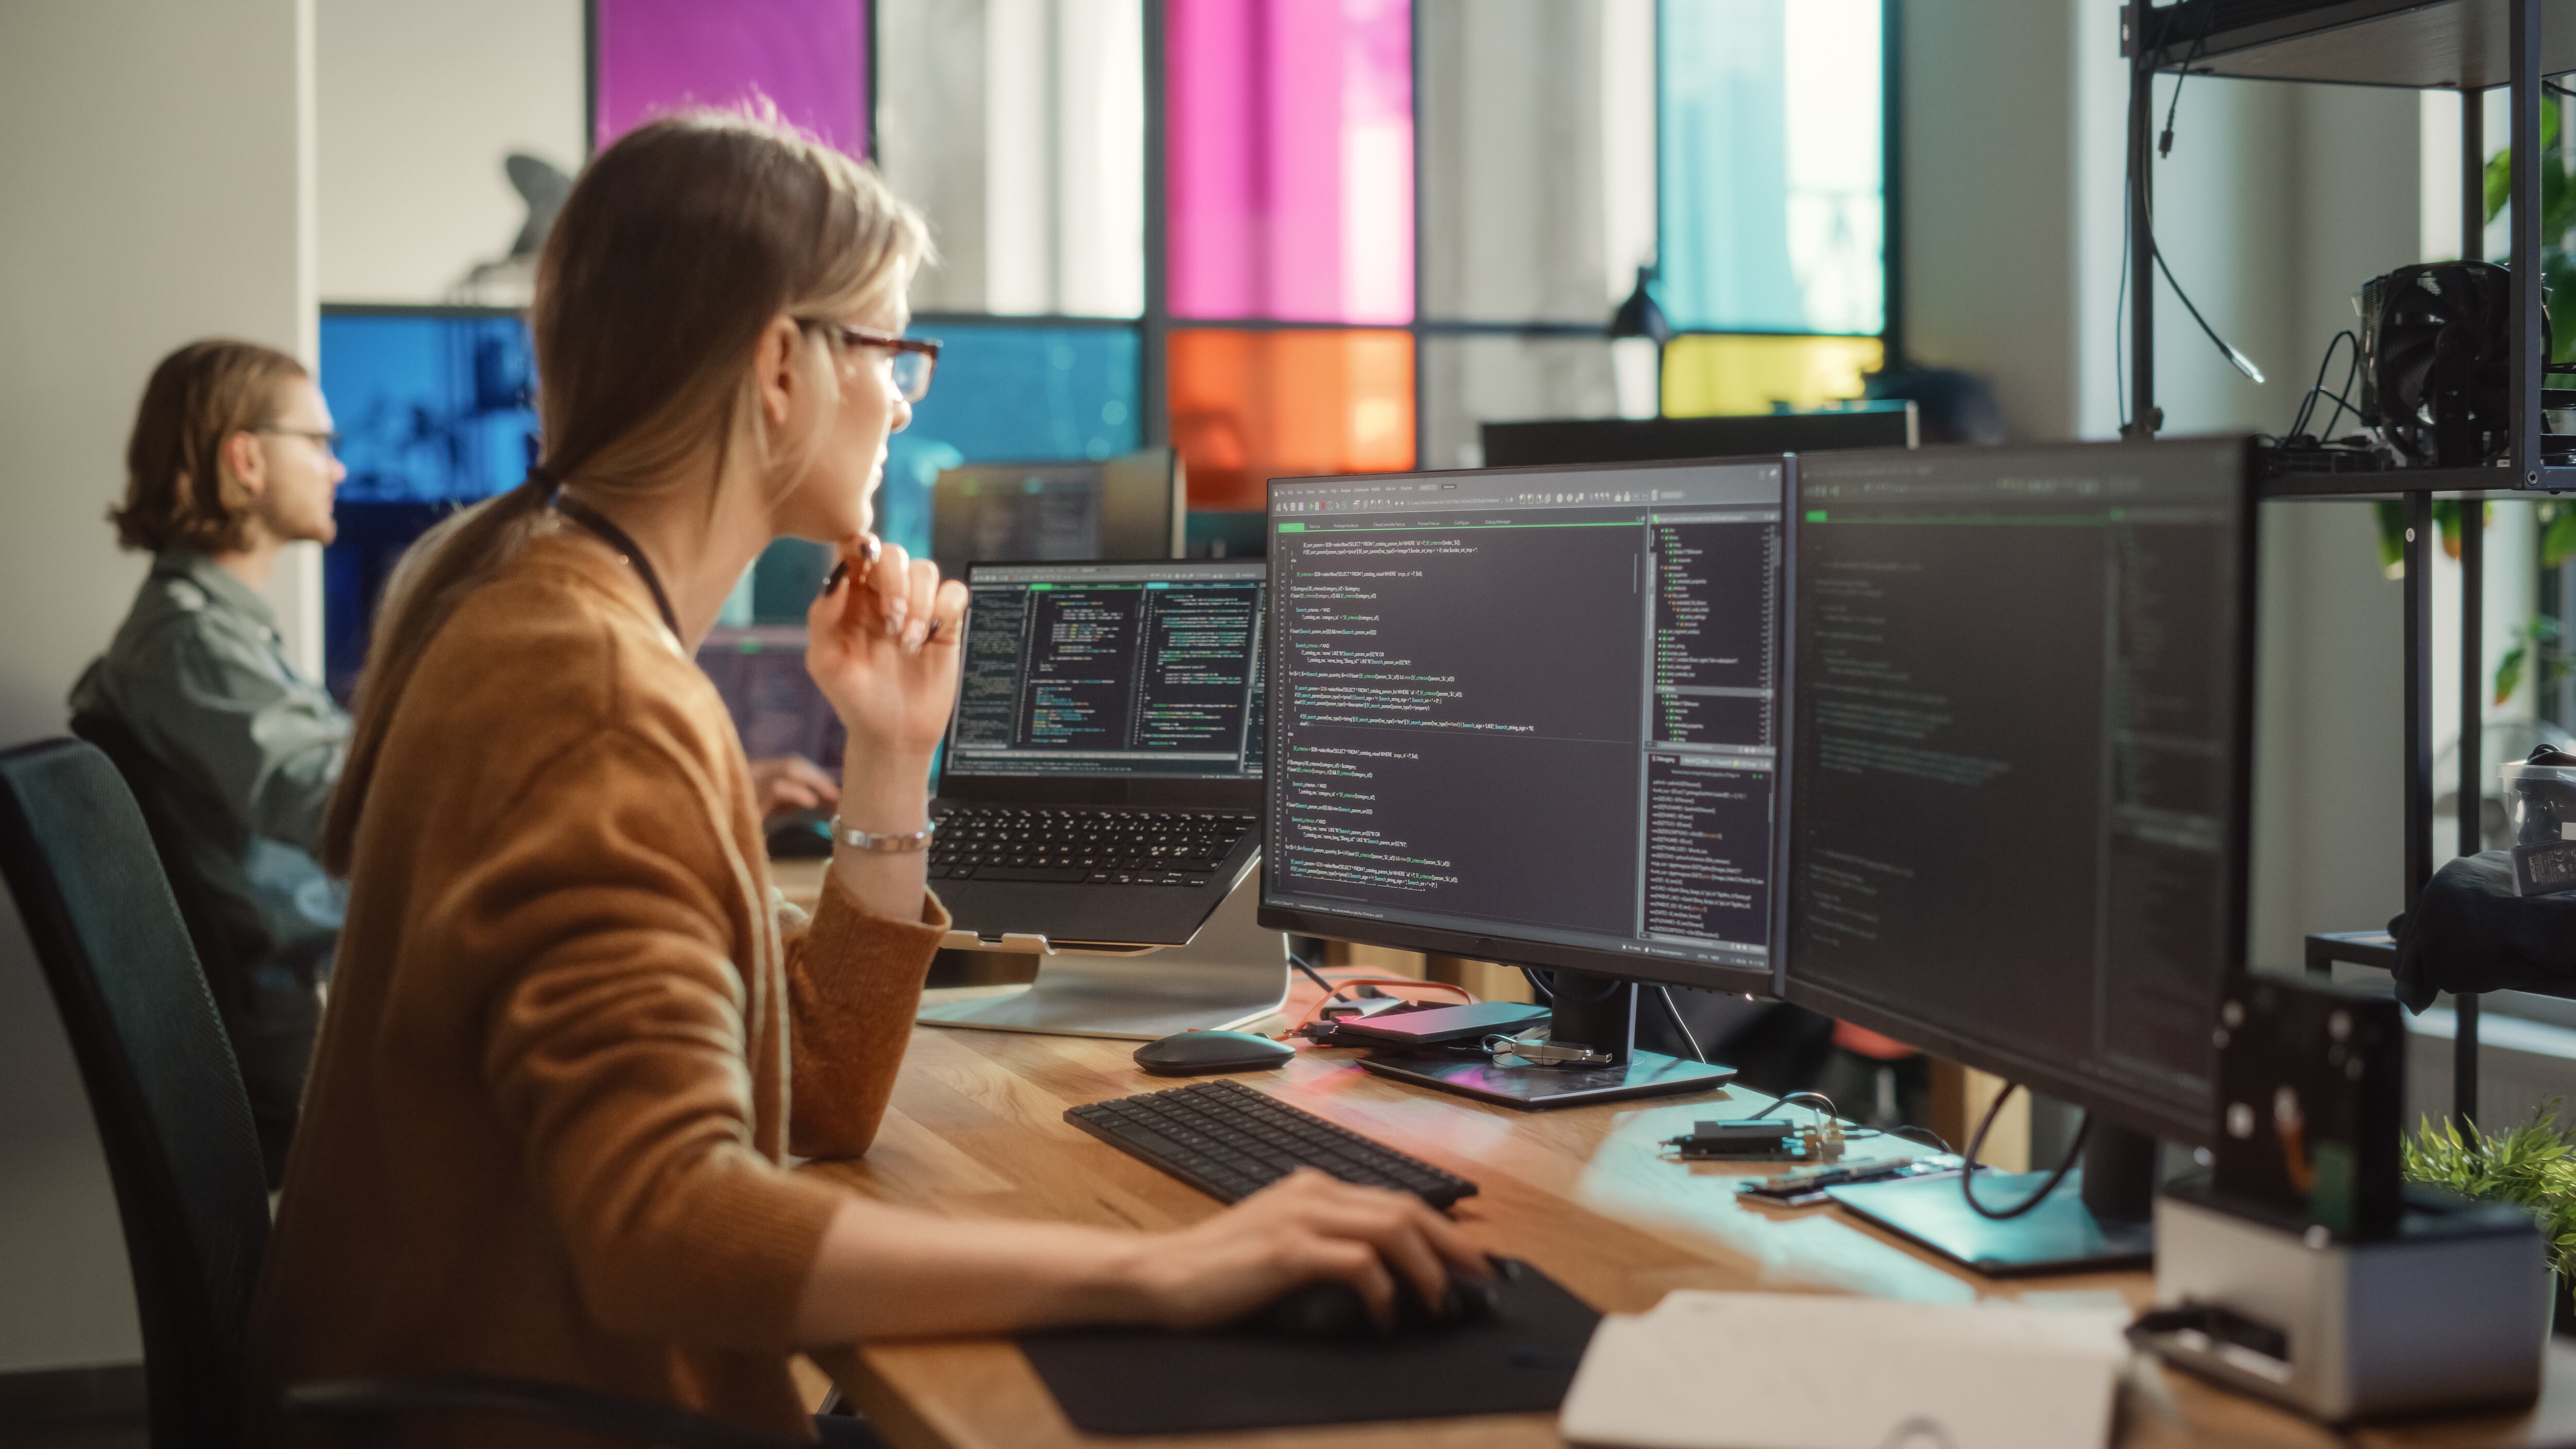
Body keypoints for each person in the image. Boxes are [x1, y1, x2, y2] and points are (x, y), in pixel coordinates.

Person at [247, 108, 1484, 1446]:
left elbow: (815, 1091)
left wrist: (890, 747)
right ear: (780, 364)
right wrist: (1164, 1268)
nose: (902, 397)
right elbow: (664, 1224)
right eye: (890, 349)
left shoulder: (522, 597)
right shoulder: (592, 691)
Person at [73, 342, 848, 1183]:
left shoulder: (216, 635)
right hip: (319, 1050)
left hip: (332, 1010)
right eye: (319, 444)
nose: (338, 469)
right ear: (246, 457)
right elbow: (354, 807)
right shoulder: (190, 645)